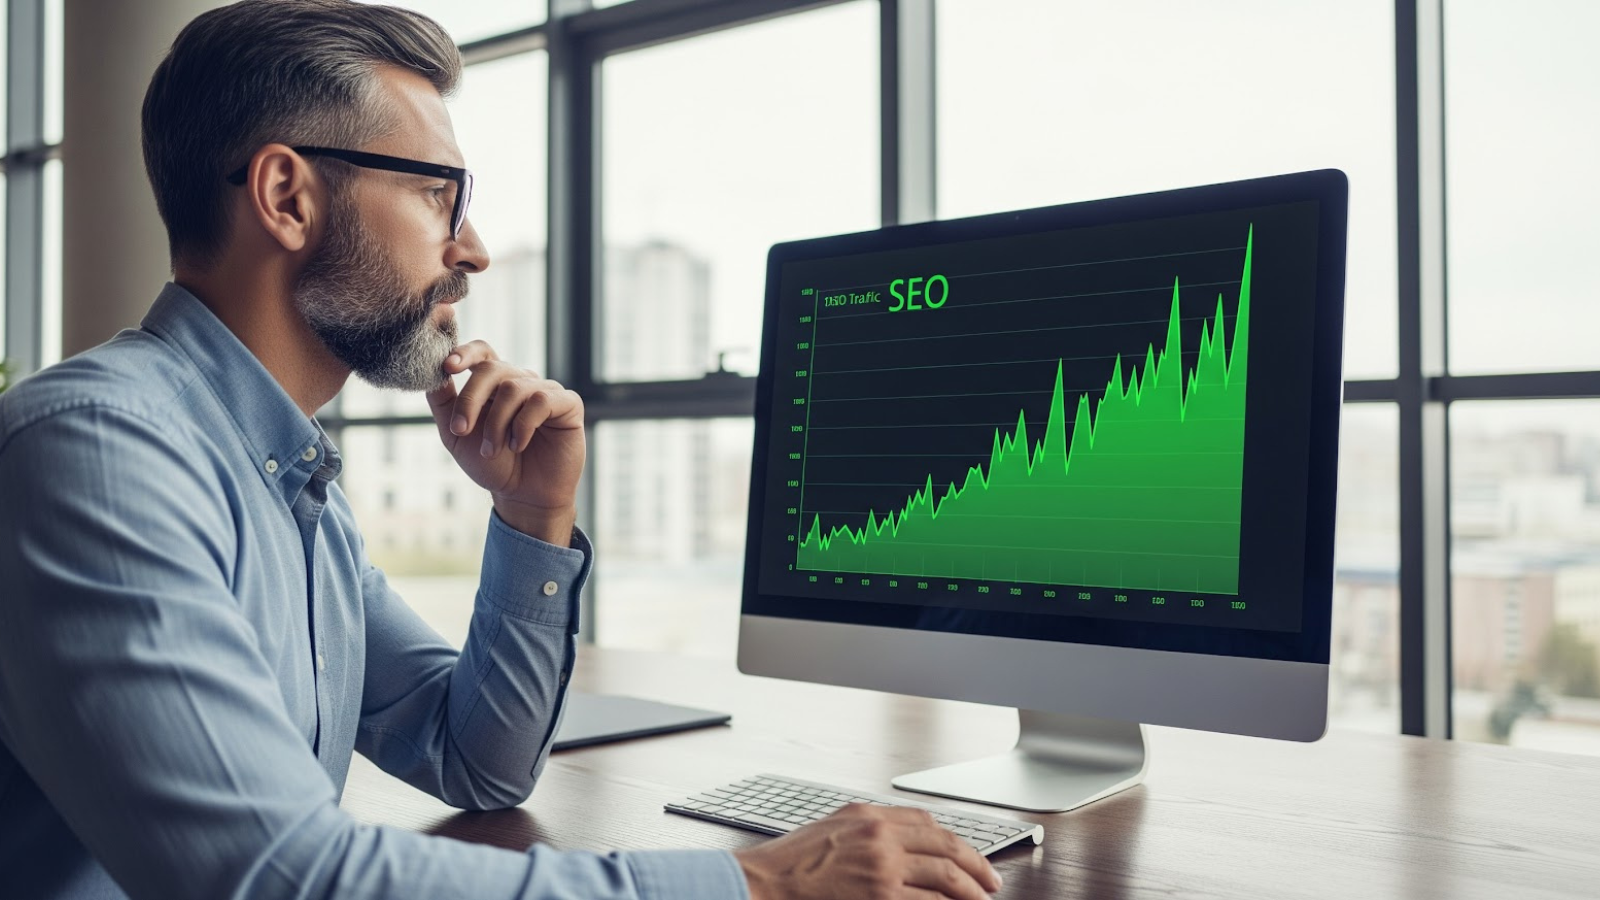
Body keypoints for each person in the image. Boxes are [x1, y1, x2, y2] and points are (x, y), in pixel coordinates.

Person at [0, 2, 1003, 899]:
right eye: (440, 193)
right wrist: (752, 883)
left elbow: (476, 759)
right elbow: (278, 877)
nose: (473, 248)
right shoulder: (100, 454)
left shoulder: (286, 482)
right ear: (288, 196)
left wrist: (532, 514)